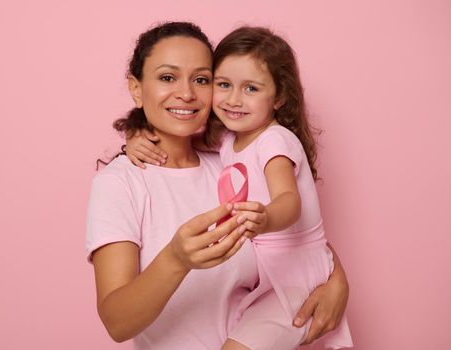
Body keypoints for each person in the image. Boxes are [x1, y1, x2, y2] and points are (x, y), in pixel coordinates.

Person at [87, 22, 349, 350]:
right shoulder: (120, 182)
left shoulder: (229, 162)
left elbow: (296, 231)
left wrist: (338, 281)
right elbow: (117, 322)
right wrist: (175, 260)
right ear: (137, 89)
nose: (186, 93)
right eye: (167, 77)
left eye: (202, 79)